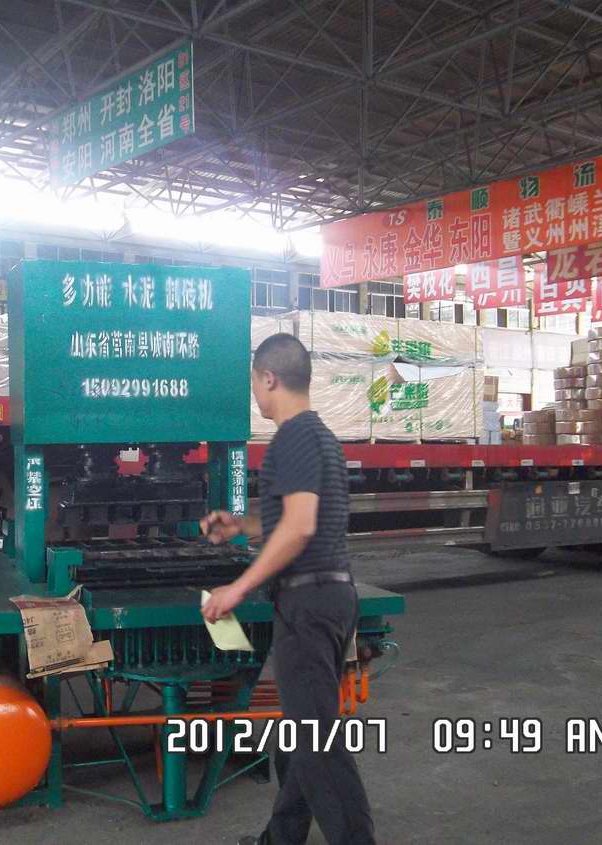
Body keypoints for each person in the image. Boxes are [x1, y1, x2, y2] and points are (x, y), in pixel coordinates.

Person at [201, 333, 375, 845]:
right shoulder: (320, 437)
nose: (254, 393)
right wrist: (242, 525)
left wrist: (237, 589)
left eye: (254, 383)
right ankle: (281, 838)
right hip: (329, 598)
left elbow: (299, 528)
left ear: (269, 378)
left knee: (316, 742)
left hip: (308, 604)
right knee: (303, 733)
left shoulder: (294, 437)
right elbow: (293, 520)